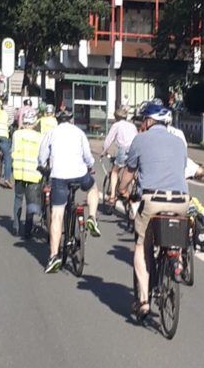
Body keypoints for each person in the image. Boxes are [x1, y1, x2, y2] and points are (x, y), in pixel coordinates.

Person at [117, 103, 190, 320]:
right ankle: (176, 261)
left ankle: (144, 300)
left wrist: (121, 190)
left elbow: (129, 171)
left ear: (149, 121)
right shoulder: (179, 142)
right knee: (174, 236)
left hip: (153, 199)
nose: (141, 124)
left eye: (143, 120)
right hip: (181, 200)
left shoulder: (140, 140)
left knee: (142, 244)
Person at [38, 109, 101, 274]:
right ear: (72, 120)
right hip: (79, 173)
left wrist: (43, 165)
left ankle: (54, 256)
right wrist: (89, 165)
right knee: (93, 188)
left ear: (58, 121)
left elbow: (42, 155)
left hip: (59, 176)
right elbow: (88, 156)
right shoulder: (79, 132)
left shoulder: (52, 133)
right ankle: (92, 218)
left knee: (57, 214)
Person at [11, 110, 43, 238]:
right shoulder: (40, 137)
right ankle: (27, 230)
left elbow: (13, 150)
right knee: (31, 202)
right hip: (34, 173)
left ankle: (16, 226)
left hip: (19, 171)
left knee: (18, 198)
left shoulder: (16, 134)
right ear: (35, 123)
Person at [101, 107, 137, 204]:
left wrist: (103, 151)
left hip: (124, 150)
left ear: (116, 117)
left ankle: (112, 195)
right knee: (131, 171)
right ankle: (134, 191)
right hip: (134, 150)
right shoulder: (132, 126)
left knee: (115, 171)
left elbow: (109, 139)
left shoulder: (116, 125)